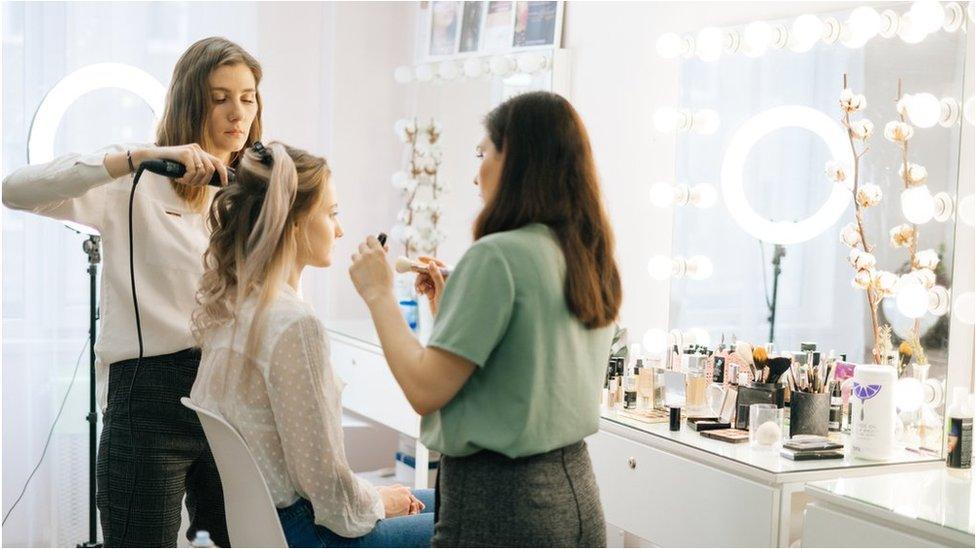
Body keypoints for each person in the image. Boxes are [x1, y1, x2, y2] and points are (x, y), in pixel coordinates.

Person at [2, 36, 263, 547]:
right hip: (148, 397)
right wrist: (133, 157)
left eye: (248, 97)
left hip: (235, 392)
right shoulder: (135, 179)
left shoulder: (255, 194)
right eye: (219, 97)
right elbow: (15, 189)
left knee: (247, 539)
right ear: (191, 100)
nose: (238, 113)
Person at [349, 91, 621, 547]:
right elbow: (517, 371)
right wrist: (450, 310)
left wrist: (378, 294)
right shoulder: (587, 256)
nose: (477, 170)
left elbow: (425, 390)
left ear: (513, 159)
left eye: (483, 152)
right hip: (575, 494)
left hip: (503, 501)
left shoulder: (498, 256)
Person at [190, 141, 435, 548]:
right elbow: (329, 494)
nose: (340, 230)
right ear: (295, 223)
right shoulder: (294, 325)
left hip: (265, 528)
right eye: (332, 214)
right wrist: (379, 501)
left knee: (453, 503)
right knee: (482, 524)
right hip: (308, 535)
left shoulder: (236, 308)